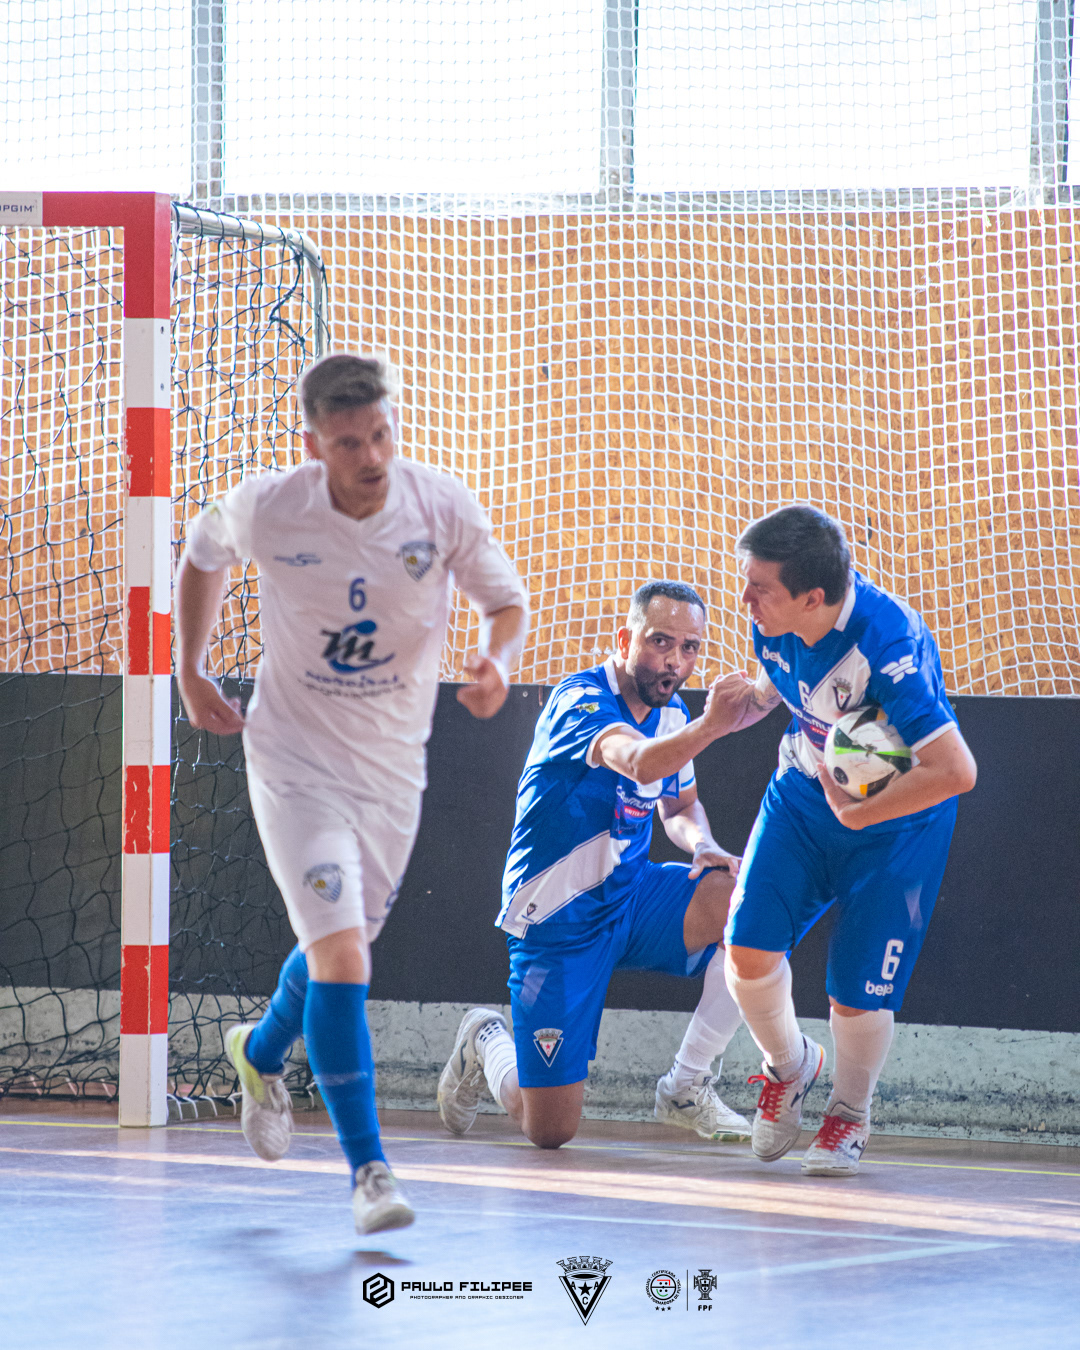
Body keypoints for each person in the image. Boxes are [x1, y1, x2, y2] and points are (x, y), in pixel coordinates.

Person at [175, 353, 528, 1232]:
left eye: (381, 434)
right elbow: (202, 553)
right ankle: (370, 1174)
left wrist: (498, 661)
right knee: (344, 960)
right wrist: (190, 667)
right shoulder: (270, 504)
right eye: (348, 443)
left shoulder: (440, 505)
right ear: (314, 446)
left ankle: (259, 1053)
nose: (371, 456)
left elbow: (507, 604)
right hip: (293, 761)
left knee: (341, 947)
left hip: (391, 771)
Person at [437, 581, 755, 1150]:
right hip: (558, 919)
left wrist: (702, 842)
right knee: (550, 1130)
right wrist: (713, 725)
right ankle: (485, 1040)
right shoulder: (580, 700)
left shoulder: (672, 712)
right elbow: (636, 762)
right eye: (661, 642)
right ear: (625, 641)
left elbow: (678, 806)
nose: (675, 661)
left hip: (630, 897)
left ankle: (686, 1085)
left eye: (689, 648)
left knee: (749, 904)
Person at [717, 504, 977, 1175]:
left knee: (855, 992)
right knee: (745, 951)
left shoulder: (886, 645)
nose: (744, 599)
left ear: (813, 597)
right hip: (803, 794)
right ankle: (789, 1066)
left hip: (895, 823)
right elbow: (792, 685)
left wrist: (861, 815)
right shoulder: (770, 622)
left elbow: (957, 771)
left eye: (759, 588)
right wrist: (744, 704)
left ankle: (850, 1111)